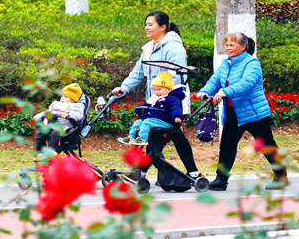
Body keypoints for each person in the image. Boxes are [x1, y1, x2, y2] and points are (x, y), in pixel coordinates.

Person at [196, 32, 289, 191]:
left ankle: (280, 176)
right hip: (233, 113)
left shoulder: (252, 63)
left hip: (254, 113)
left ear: (243, 46)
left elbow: (246, 83)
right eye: (226, 45)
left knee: (267, 145)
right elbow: (215, 80)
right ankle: (221, 180)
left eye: (232, 45)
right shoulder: (226, 63)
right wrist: (204, 91)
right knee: (226, 146)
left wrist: (225, 92)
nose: (228, 48)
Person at [112, 10, 200, 178]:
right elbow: (138, 73)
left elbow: (176, 77)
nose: (146, 27)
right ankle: (191, 173)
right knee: (177, 138)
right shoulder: (147, 49)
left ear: (163, 27)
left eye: (150, 24)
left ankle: (140, 174)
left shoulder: (174, 48)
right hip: (156, 106)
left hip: (170, 105)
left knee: (156, 144)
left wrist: (163, 99)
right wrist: (123, 88)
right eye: (145, 24)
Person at [118, 71, 184, 146]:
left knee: (147, 122)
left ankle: (142, 139)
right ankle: (131, 137)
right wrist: (139, 109)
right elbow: (146, 105)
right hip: (153, 119)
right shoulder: (154, 98)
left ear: (169, 89)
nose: (156, 92)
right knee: (137, 123)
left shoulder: (171, 98)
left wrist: (177, 116)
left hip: (164, 120)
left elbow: (176, 106)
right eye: (155, 90)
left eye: (159, 89)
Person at [33, 83, 85, 154]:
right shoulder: (56, 104)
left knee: (55, 134)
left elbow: (79, 115)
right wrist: (39, 117)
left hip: (67, 128)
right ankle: (40, 152)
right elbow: (49, 111)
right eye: (62, 96)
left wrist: (69, 114)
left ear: (73, 99)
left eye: (66, 97)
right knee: (40, 134)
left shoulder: (76, 106)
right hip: (53, 125)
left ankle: (53, 152)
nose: (62, 98)